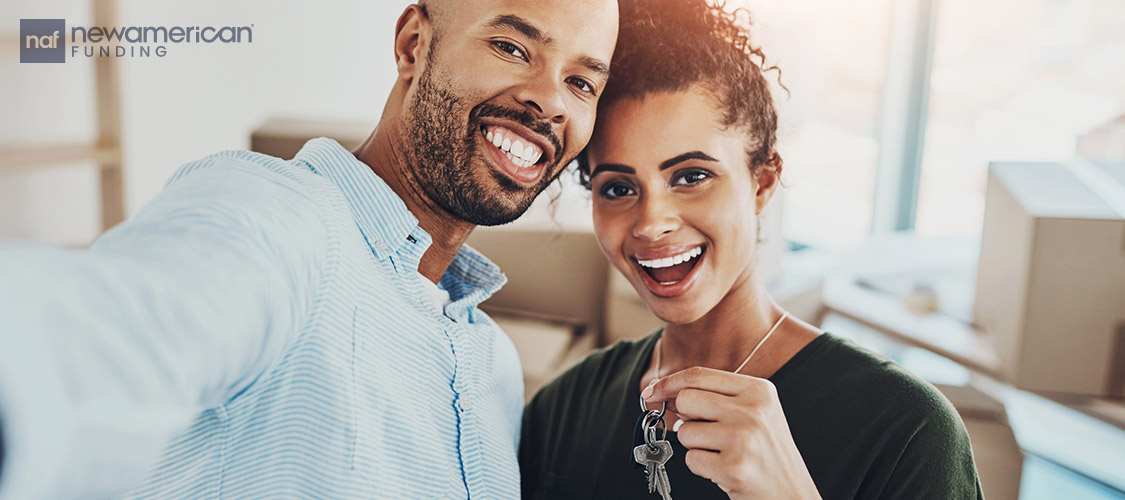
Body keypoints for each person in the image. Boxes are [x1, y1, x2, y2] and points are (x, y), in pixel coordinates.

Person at [0, 1, 617, 498]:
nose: (552, 101)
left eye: (582, 82)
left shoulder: (496, 369)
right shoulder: (278, 216)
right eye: (511, 48)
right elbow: (104, 334)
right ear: (412, 45)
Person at [518, 1, 984, 498]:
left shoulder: (906, 430)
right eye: (617, 188)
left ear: (762, 184)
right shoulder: (566, 407)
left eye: (692, 177)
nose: (652, 223)